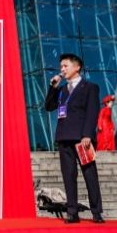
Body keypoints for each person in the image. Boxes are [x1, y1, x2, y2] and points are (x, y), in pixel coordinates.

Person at [44, 54, 103, 223]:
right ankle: (72, 212)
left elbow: (92, 111)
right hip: (64, 137)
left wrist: (87, 134)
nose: (62, 69)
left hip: (82, 138)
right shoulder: (62, 90)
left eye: (65, 66)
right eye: (61, 67)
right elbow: (49, 106)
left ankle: (96, 212)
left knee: (90, 175)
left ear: (77, 67)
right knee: (68, 176)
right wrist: (53, 87)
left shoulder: (90, 87)